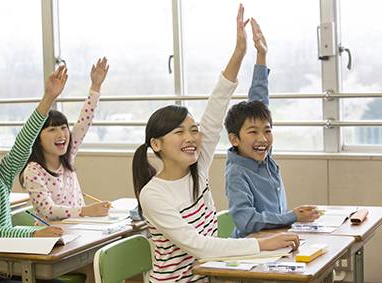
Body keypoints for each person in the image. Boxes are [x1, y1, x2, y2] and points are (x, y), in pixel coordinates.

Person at [131, 4, 299, 282]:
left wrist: (240, 53)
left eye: (193, 130)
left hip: (213, 275)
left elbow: (217, 103)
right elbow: (199, 245)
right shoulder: (153, 195)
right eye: (179, 132)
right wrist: (262, 244)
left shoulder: (197, 166)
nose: (191, 138)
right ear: (156, 144)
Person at [0, 66, 67, 283]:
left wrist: (48, 97)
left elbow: (23, 143)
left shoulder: (0, 178)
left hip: (11, 267)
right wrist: (34, 234)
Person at [224, 18, 321, 238]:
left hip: (276, 240)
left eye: (267, 131)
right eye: (253, 132)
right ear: (234, 139)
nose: (263, 138)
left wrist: (261, 54)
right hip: (253, 251)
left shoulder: (263, 156)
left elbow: (259, 100)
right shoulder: (237, 173)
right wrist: (291, 217)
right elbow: (246, 221)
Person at [19, 57, 111, 222]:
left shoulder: (67, 156)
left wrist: (96, 86)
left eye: (63, 128)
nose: (61, 134)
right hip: (51, 238)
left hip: (78, 230)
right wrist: (85, 210)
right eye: (52, 129)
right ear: (37, 138)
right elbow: (48, 211)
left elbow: (84, 121)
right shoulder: (33, 171)